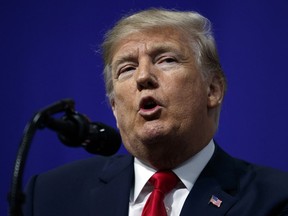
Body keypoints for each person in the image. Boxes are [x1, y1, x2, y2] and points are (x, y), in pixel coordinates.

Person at [23, 8, 288, 216]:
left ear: (213, 90)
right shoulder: (51, 195)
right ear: (115, 108)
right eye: (126, 68)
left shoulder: (275, 198)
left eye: (166, 60)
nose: (143, 77)